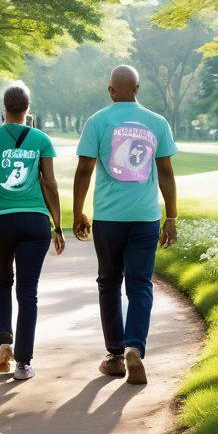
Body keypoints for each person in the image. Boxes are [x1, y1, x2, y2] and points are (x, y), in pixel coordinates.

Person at [73, 65, 178, 386]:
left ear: (110, 90)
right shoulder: (157, 122)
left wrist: (77, 213)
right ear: (137, 89)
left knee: (109, 283)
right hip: (145, 217)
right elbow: (166, 173)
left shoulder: (97, 122)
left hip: (108, 218)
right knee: (140, 284)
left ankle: (115, 356)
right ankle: (134, 346)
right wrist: (171, 217)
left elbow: (84, 169)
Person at [0, 82, 64, 381]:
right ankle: (23, 363)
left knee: (1, 280)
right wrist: (58, 226)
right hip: (34, 221)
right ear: (27, 108)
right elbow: (50, 184)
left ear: (4, 108)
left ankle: (4, 341)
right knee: (28, 292)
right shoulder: (41, 139)